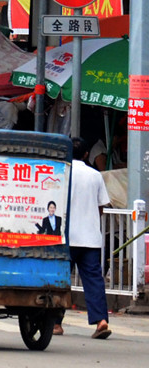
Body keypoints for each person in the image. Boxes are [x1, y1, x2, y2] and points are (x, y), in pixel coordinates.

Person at [59, 138, 111, 339]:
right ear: (86, 154)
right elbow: (101, 206)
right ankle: (101, 321)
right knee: (94, 281)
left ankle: (55, 323)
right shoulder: (95, 175)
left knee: (61, 281)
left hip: (67, 238)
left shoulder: (62, 173)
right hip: (90, 238)